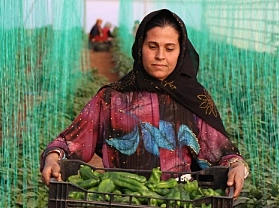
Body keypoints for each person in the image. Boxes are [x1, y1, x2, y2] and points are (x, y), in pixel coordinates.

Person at [40, 9, 249, 199]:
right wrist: (53, 157)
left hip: (177, 198)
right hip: (122, 198)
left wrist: (236, 166)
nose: (160, 56)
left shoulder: (195, 99)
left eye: (169, 48)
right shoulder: (112, 98)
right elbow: (70, 142)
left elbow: (222, 153)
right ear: (140, 47)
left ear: (181, 51)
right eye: (152, 46)